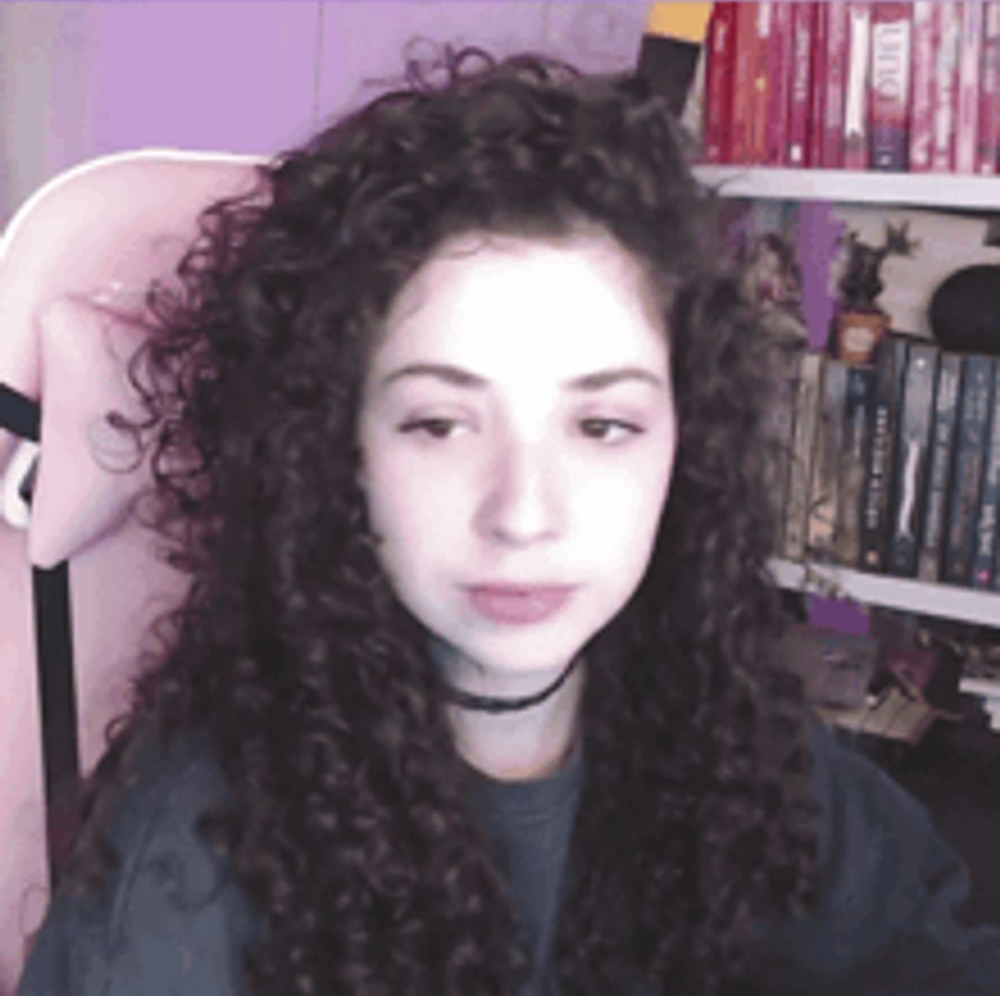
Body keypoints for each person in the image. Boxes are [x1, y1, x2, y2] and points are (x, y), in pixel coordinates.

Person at [15, 49, 1000, 996]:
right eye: (439, 424)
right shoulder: (187, 861)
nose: (524, 512)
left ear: (683, 447)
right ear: (335, 451)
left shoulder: (719, 726)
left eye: (602, 424)